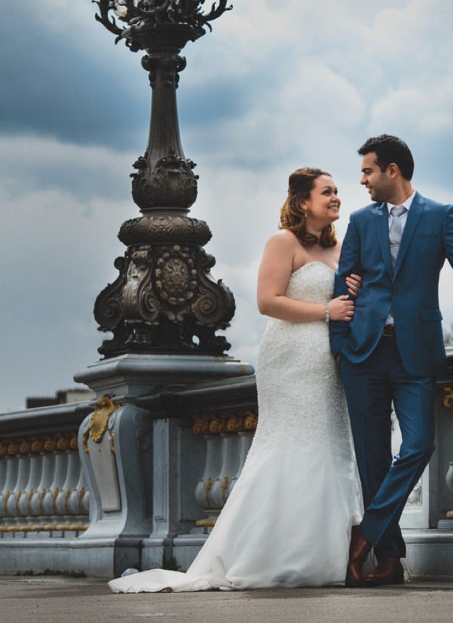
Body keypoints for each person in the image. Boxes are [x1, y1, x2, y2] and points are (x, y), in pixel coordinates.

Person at [110, 168, 364, 592]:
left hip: (329, 359)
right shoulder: (282, 242)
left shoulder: (341, 247)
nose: (336, 198)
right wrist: (326, 311)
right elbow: (268, 301)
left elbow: (345, 301)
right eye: (327, 192)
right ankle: (275, 552)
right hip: (290, 357)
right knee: (289, 444)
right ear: (302, 202)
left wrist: (353, 290)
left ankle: (328, 553)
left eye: (337, 191)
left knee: (330, 445)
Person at [335, 135, 453, 588]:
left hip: (415, 352)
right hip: (364, 353)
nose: (361, 181)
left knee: (418, 446)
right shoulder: (360, 221)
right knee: (371, 461)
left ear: (392, 170)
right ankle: (391, 560)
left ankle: (365, 535)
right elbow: (343, 287)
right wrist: (341, 346)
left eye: (368, 172)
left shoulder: (440, 216)